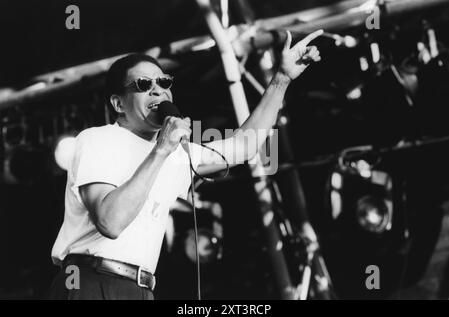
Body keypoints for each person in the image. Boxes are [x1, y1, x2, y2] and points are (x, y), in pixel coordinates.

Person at [47, 30, 323, 300]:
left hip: (140, 287)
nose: (158, 91)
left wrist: (282, 79)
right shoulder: (98, 139)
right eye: (144, 85)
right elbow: (111, 222)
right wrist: (162, 150)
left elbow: (244, 146)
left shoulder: (177, 153)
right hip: (90, 282)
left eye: (164, 82)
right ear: (119, 103)